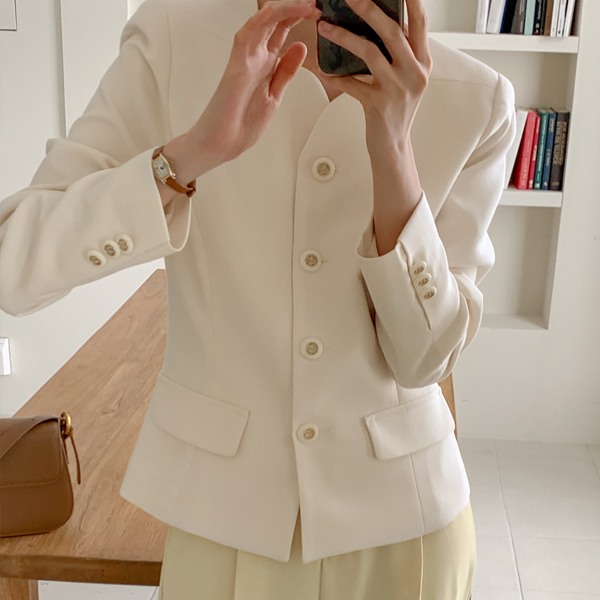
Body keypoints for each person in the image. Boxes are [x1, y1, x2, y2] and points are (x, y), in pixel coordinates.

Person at [0, 0, 516, 596]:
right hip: (223, 521)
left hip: (408, 531)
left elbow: (425, 360)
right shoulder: (173, 39)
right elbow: (14, 266)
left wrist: (395, 151)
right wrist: (186, 157)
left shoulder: (477, 98)